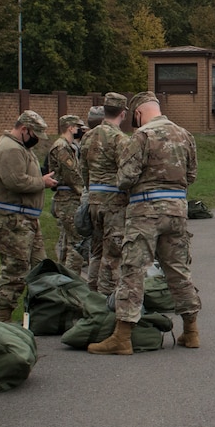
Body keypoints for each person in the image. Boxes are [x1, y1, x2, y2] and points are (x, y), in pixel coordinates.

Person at [93, 92, 202, 353]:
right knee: (178, 270)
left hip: (145, 212)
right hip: (177, 211)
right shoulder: (185, 135)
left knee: (133, 270)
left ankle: (122, 337)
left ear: (139, 113)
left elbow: (126, 178)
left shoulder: (142, 136)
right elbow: (192, 175)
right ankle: (191, 331)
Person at [0, 111, 56, 322]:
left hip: (26, 219)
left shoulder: (20, 148)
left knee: (40, 266)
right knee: (15, 271)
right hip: (13, 220)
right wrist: (42, 182)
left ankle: (40, 315)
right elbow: (15, 181)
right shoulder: (10, 149)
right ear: (24, 130)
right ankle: (3, 319)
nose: (36, 140)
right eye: (34, 134)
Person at [82, 93, 131, 291]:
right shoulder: (120, 139)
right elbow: (127, 173)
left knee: (96, 251)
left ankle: (91, 293)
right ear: (123, 113)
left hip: (94, 200)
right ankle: (106, 298)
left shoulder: (87, 136)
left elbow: (83, 170)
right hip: (114, 203)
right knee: (113, 254)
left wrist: (91, 190)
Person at [47, 113, 88, 276]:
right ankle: (71, 280)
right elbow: (71, 175)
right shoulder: (62, 147)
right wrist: (84, 193)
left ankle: (62, 278)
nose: (80, 130)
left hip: (67, 199)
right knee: (77, 243)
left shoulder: (68, 146)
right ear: (71, 128)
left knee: (66, 243)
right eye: (78, 127)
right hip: (68, 200)